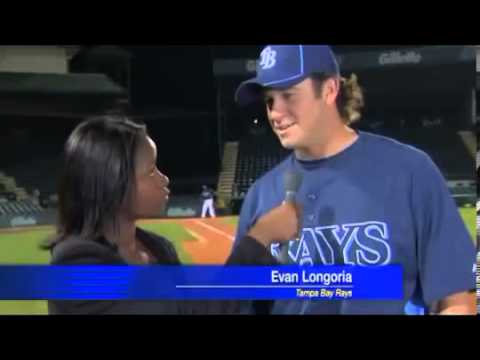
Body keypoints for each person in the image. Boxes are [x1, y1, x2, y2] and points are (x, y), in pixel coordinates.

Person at [232, 45, 476, 315]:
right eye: (269, 101)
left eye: (288, 96)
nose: (275, 113)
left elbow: (455, 301)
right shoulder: (261, 195)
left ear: (329, 90)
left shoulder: (409, 172)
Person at [46, 114, 301, 314]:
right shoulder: (75, 265)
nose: (164, 178)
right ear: (113, 182)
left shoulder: (158, 248)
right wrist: (260, 237)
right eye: (150, 171)